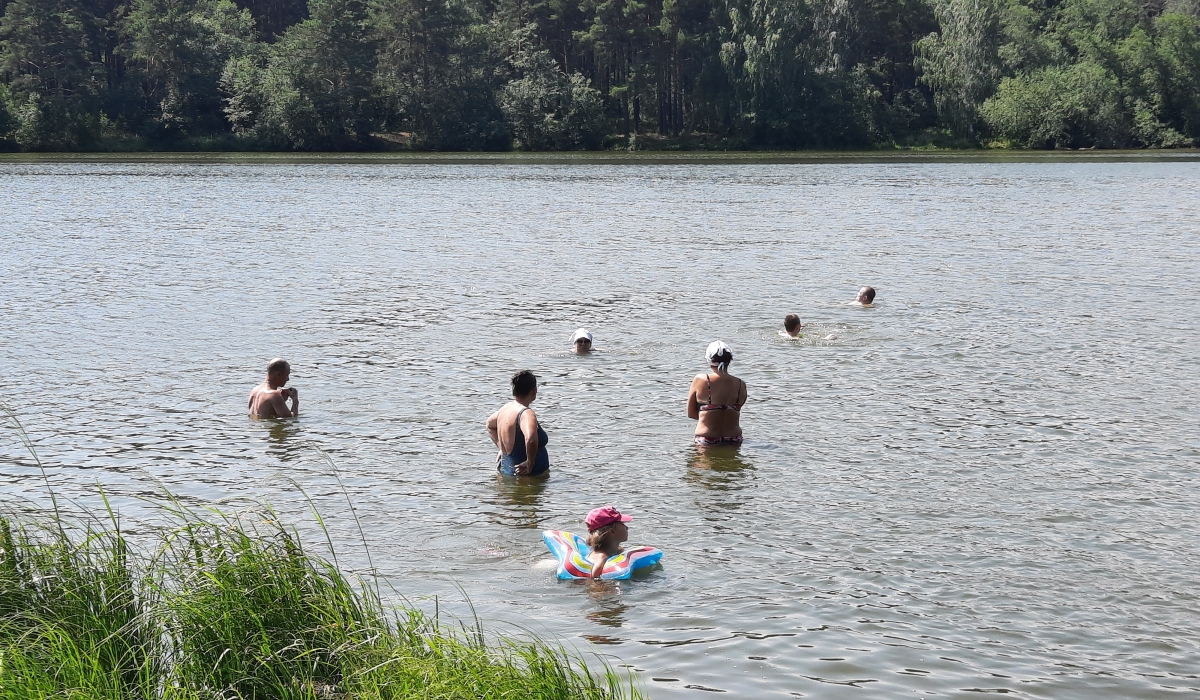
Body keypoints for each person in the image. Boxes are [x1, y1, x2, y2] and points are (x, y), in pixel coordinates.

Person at [486, 370, 550, 476]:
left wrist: (502, 447)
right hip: (527, 479)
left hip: (506, 470)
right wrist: (530, 462)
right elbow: (531, 440)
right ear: (534, 390)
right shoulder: (526, 414)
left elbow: (489, 425)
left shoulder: (505, 408)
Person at [687, 341, 746, 446]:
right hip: (734, 439)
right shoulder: (740, 384)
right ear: (729, 360)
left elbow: (691, 413)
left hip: (706, 439)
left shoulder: (701, 380)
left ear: (709, 360)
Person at [585, 505, 632, 580]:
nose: (626, 527)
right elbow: (594, 577)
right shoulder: (602, 558)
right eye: (622, 524)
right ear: (612, 531)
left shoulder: (618, 550)